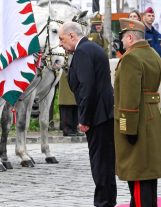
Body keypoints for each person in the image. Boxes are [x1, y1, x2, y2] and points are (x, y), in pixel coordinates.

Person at [59, 21, 117, 207]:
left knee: (100, 163)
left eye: (61, 39)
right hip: (105, 113)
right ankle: (108, 200)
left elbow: (87, 88)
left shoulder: (82, 52)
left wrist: (84, 119)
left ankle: (103, 202)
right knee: (106, 162)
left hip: (97, 116)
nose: (60, 43)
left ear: (72, 36)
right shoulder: (93, 47)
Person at [114, 18, 161, 207]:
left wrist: (127, 129)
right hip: (152, 119)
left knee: (138, 175)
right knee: (149, 175)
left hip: (137, 123)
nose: (122, 43)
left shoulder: (131, 58)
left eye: (124, 39)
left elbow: (129, 100)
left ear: (131, 37)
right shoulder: (153, 55)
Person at [58, 59, 79, 137]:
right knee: (66, 106)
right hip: (65, 76)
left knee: (75, 106)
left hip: (75, 78)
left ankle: (74, 128)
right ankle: (67, 129)